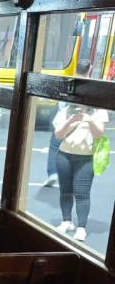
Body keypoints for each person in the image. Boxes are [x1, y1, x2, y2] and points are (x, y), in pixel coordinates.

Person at [52, 60, 108, 242]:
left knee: (82, 193)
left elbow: (98, 134)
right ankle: (66, 221)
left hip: (86, 158)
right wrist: (71, 120)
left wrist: (88, 119)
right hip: (64, 155)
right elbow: (59, 135)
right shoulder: (67, 109)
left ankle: (81, 227)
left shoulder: (99, 111)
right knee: (65, 191)